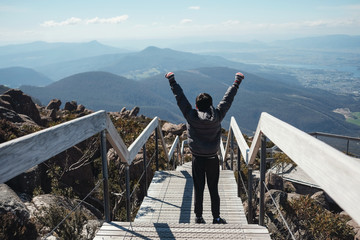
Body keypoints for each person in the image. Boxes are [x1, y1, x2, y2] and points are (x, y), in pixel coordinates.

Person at [165, 71, 244, 224]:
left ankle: (198, 217)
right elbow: (227, 100)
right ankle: (216, 217)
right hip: (213, 158)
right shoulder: (218, 115)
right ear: (211, 105)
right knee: (213, 189)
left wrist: (172, 81)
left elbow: (180, 98)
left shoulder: (191, 115)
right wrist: (236, 83)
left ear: (196, 106)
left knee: (199, 188)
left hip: (197, 159)